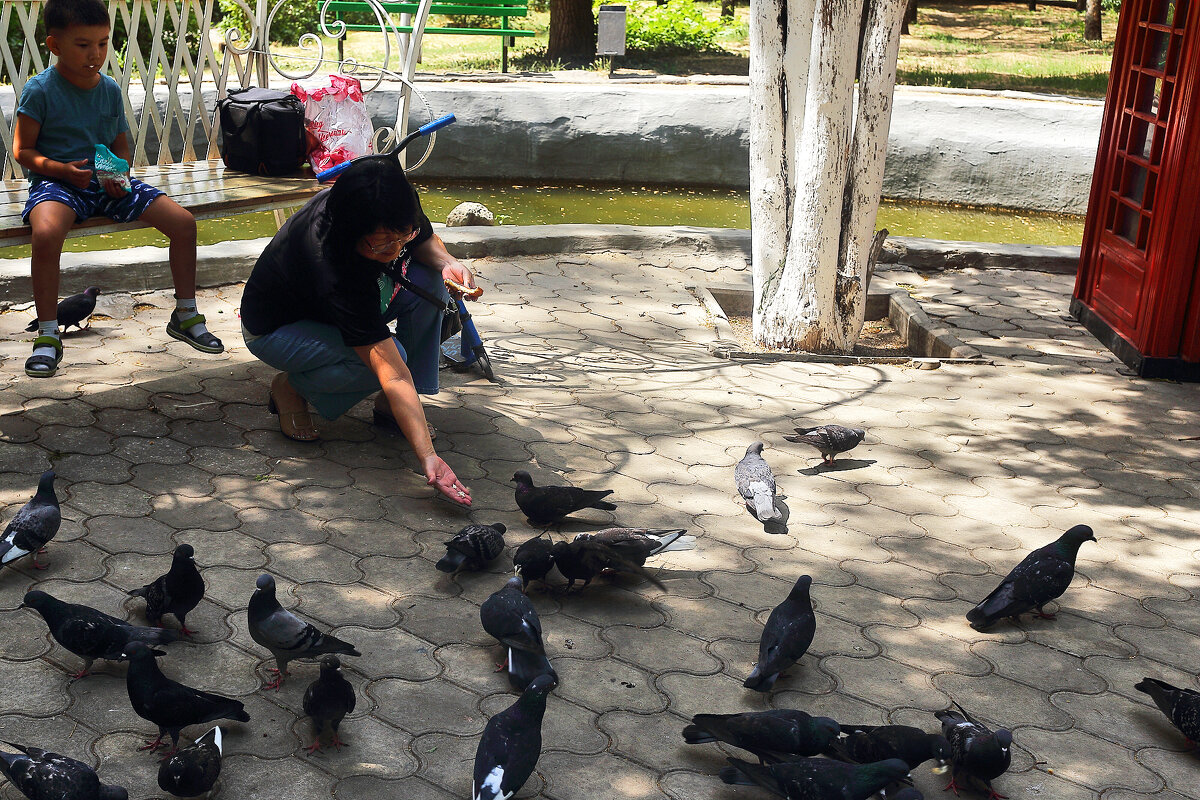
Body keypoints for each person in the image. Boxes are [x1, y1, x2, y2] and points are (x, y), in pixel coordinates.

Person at [240, 155, 476, 507]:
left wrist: (449, 263)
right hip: (277, 329)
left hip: (339, 310)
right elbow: (393, 373)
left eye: (402, 237)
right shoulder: (331, 264)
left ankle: (392, 410)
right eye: (382, 245)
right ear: (352, 231)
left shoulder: (389, 203)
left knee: (432, 282)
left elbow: (423, 237)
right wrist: (428, 456)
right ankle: (290, 387)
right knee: (391, 362)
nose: (397, 250)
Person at [13, 0, 222, 379]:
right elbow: (22, 151)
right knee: (45, 233)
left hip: (107, 183)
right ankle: (47, 335)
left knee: (183, 223)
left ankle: (186, 315)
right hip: (58, 183)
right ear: (54, 45)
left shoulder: (108, 88)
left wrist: (117, 175)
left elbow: (120, 146)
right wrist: (60, 168)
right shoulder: (39, 90)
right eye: (83, 45)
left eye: (103, 43)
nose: (95, 54)